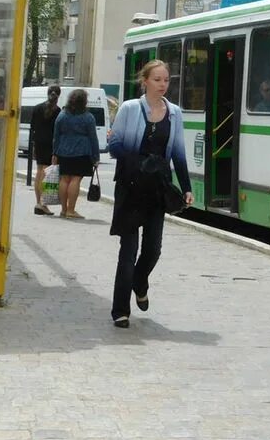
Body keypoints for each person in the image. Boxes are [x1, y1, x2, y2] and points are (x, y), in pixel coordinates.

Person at [106, 60, 194, 328]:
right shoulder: (130, 108)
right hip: (131, 186)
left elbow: (178, 153)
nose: (163, 84)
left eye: (166, 80)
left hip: (157, 187)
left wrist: (187, 187)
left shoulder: (175, 113)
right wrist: (137, 162)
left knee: (153, 249)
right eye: (157, 79)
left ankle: (140, 281)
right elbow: (114, 144)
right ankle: (120, 310)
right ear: (144, 81)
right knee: (128, 250)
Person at [52, 88, 100, 220]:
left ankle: (63, 209)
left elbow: (56, 136)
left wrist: (54, 152)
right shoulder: (88, 117)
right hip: (81, 151)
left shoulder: (62, 115)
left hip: (63, 150)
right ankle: (71, 210)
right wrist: (96, 156)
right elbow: (93, 138)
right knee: (75, 179)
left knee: (64, 179)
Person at [30, 85, 61, 215]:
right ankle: (43, 204)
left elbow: (32, 126)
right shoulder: (58, 111)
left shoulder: (37, 108)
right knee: (46, 174)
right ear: (58, 96)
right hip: (50, 144)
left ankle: (38, 202)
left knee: (39, 172)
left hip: (39, 142)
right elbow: (58, 131)